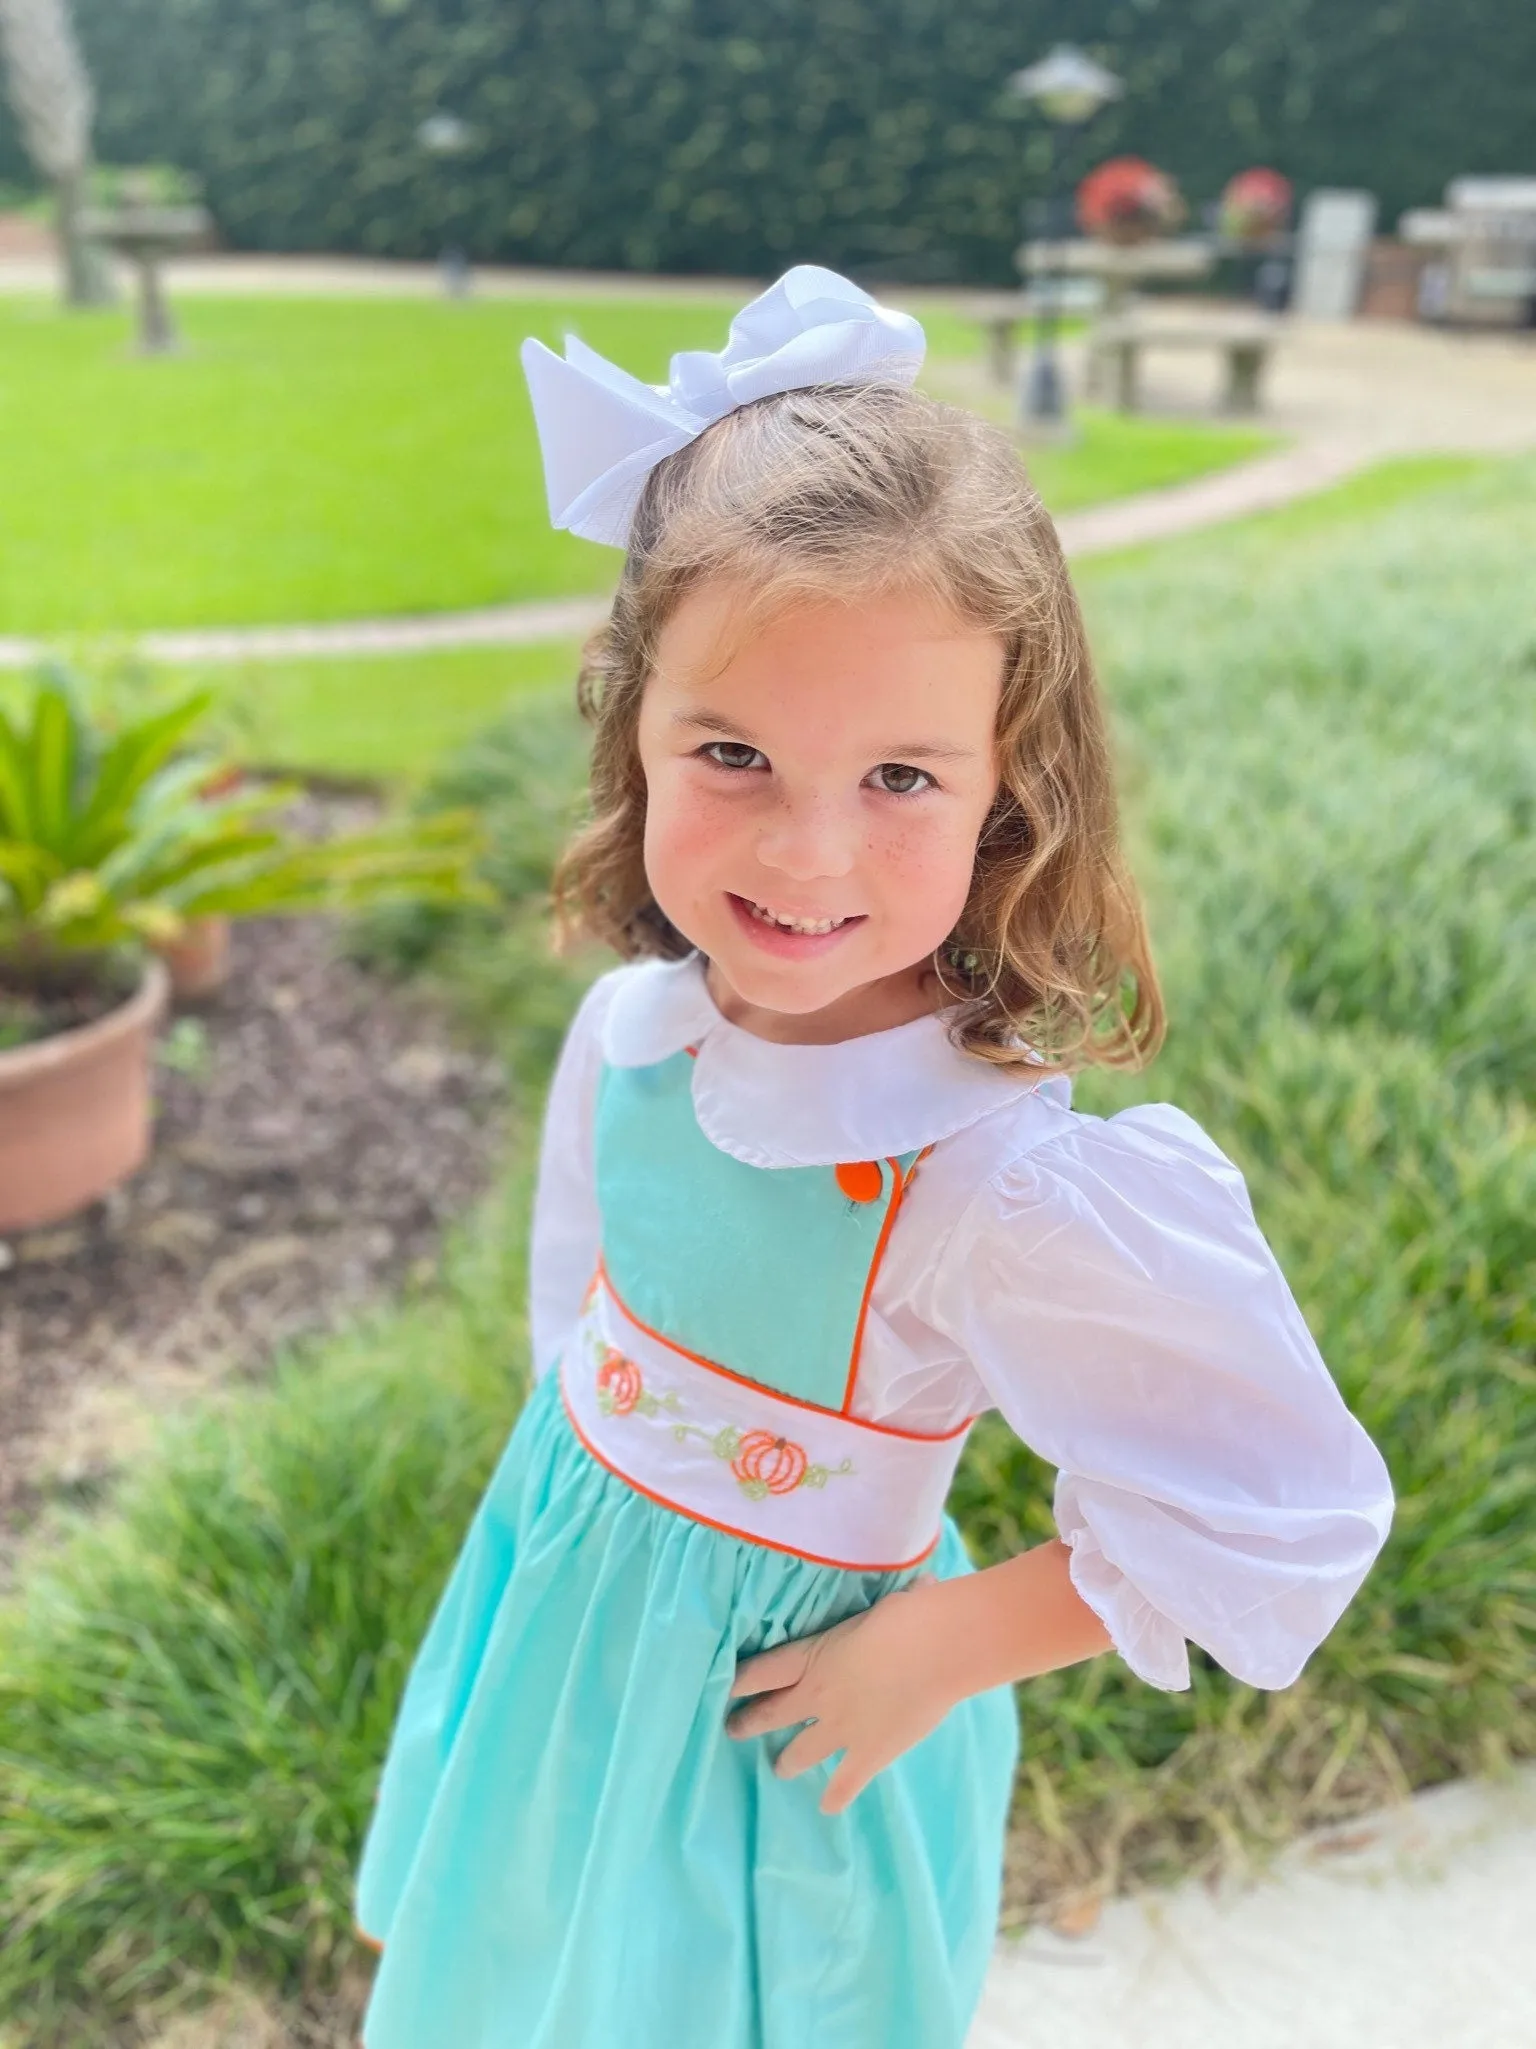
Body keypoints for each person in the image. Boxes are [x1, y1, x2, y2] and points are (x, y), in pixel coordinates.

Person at [352, 266, 1394, 2049]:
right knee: (533, 1974)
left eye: (901, 778)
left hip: (777, 1732)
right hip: (565, 1649)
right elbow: (579, 1303)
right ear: (635, 731)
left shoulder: (988, 1186)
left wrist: (947, 1645)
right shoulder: (636, 1039)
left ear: (1011, 785)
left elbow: (1277, 1510)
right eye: (734, 753)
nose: (807, 849)